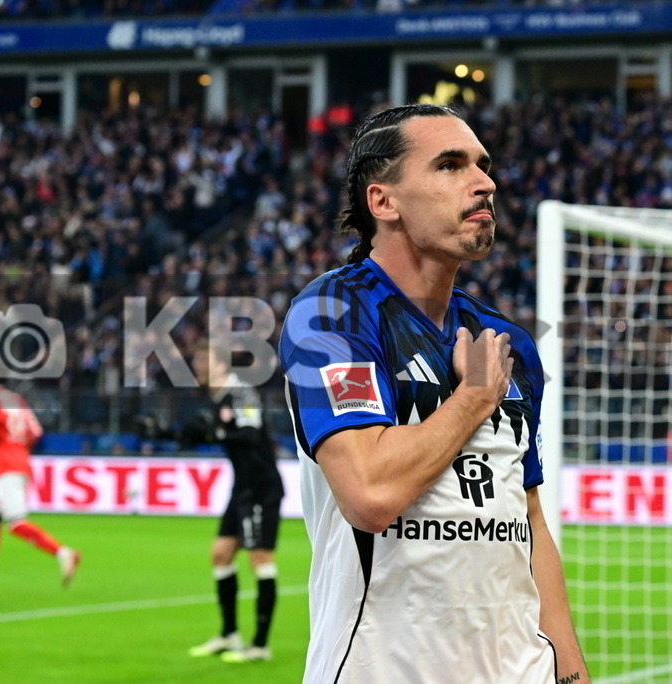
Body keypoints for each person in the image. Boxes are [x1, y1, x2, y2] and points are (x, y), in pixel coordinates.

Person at [279, 103, 590, 683]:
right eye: (450, 165)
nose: (485, 183)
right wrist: (472, 397)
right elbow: (370, 494)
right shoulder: (333, 315)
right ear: (384, 202)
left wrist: (568, 671)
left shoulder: (508, 342)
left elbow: (528, 520)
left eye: (483, 165)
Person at [184, 340, 286, 664]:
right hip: (241, 488)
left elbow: (250, 434)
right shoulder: (215, 397)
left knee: (260, 560)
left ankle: (259, 645)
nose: (197, 366)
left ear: (222, 365)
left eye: (203, 359)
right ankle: (229, 634)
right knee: (221, 554)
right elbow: (210, 433)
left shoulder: (241, 393)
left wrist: (214, 434)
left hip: (261, 488)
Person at [0, 381, 80, 597]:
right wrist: (15, 445)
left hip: (5, 466)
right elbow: (35, 431)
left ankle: (63, 553)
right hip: (19, 460)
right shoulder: (16, 400)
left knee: (15, 523)